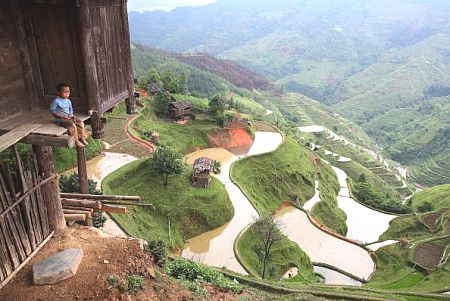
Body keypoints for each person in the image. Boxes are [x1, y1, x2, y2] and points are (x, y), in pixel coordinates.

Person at [50, 83, 88, 148]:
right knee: (72, 125)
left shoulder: (68, 100)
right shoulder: (56, 101)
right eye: (64, 92)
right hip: (60, 119)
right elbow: (52, 112)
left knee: (80, 122)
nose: (67, 94)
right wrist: (62, 116)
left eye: (68, 92)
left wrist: (71, 115)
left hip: (69, 116)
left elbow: (71, 109)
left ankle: (81, 137)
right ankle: (76, 141)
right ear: (58, 93)